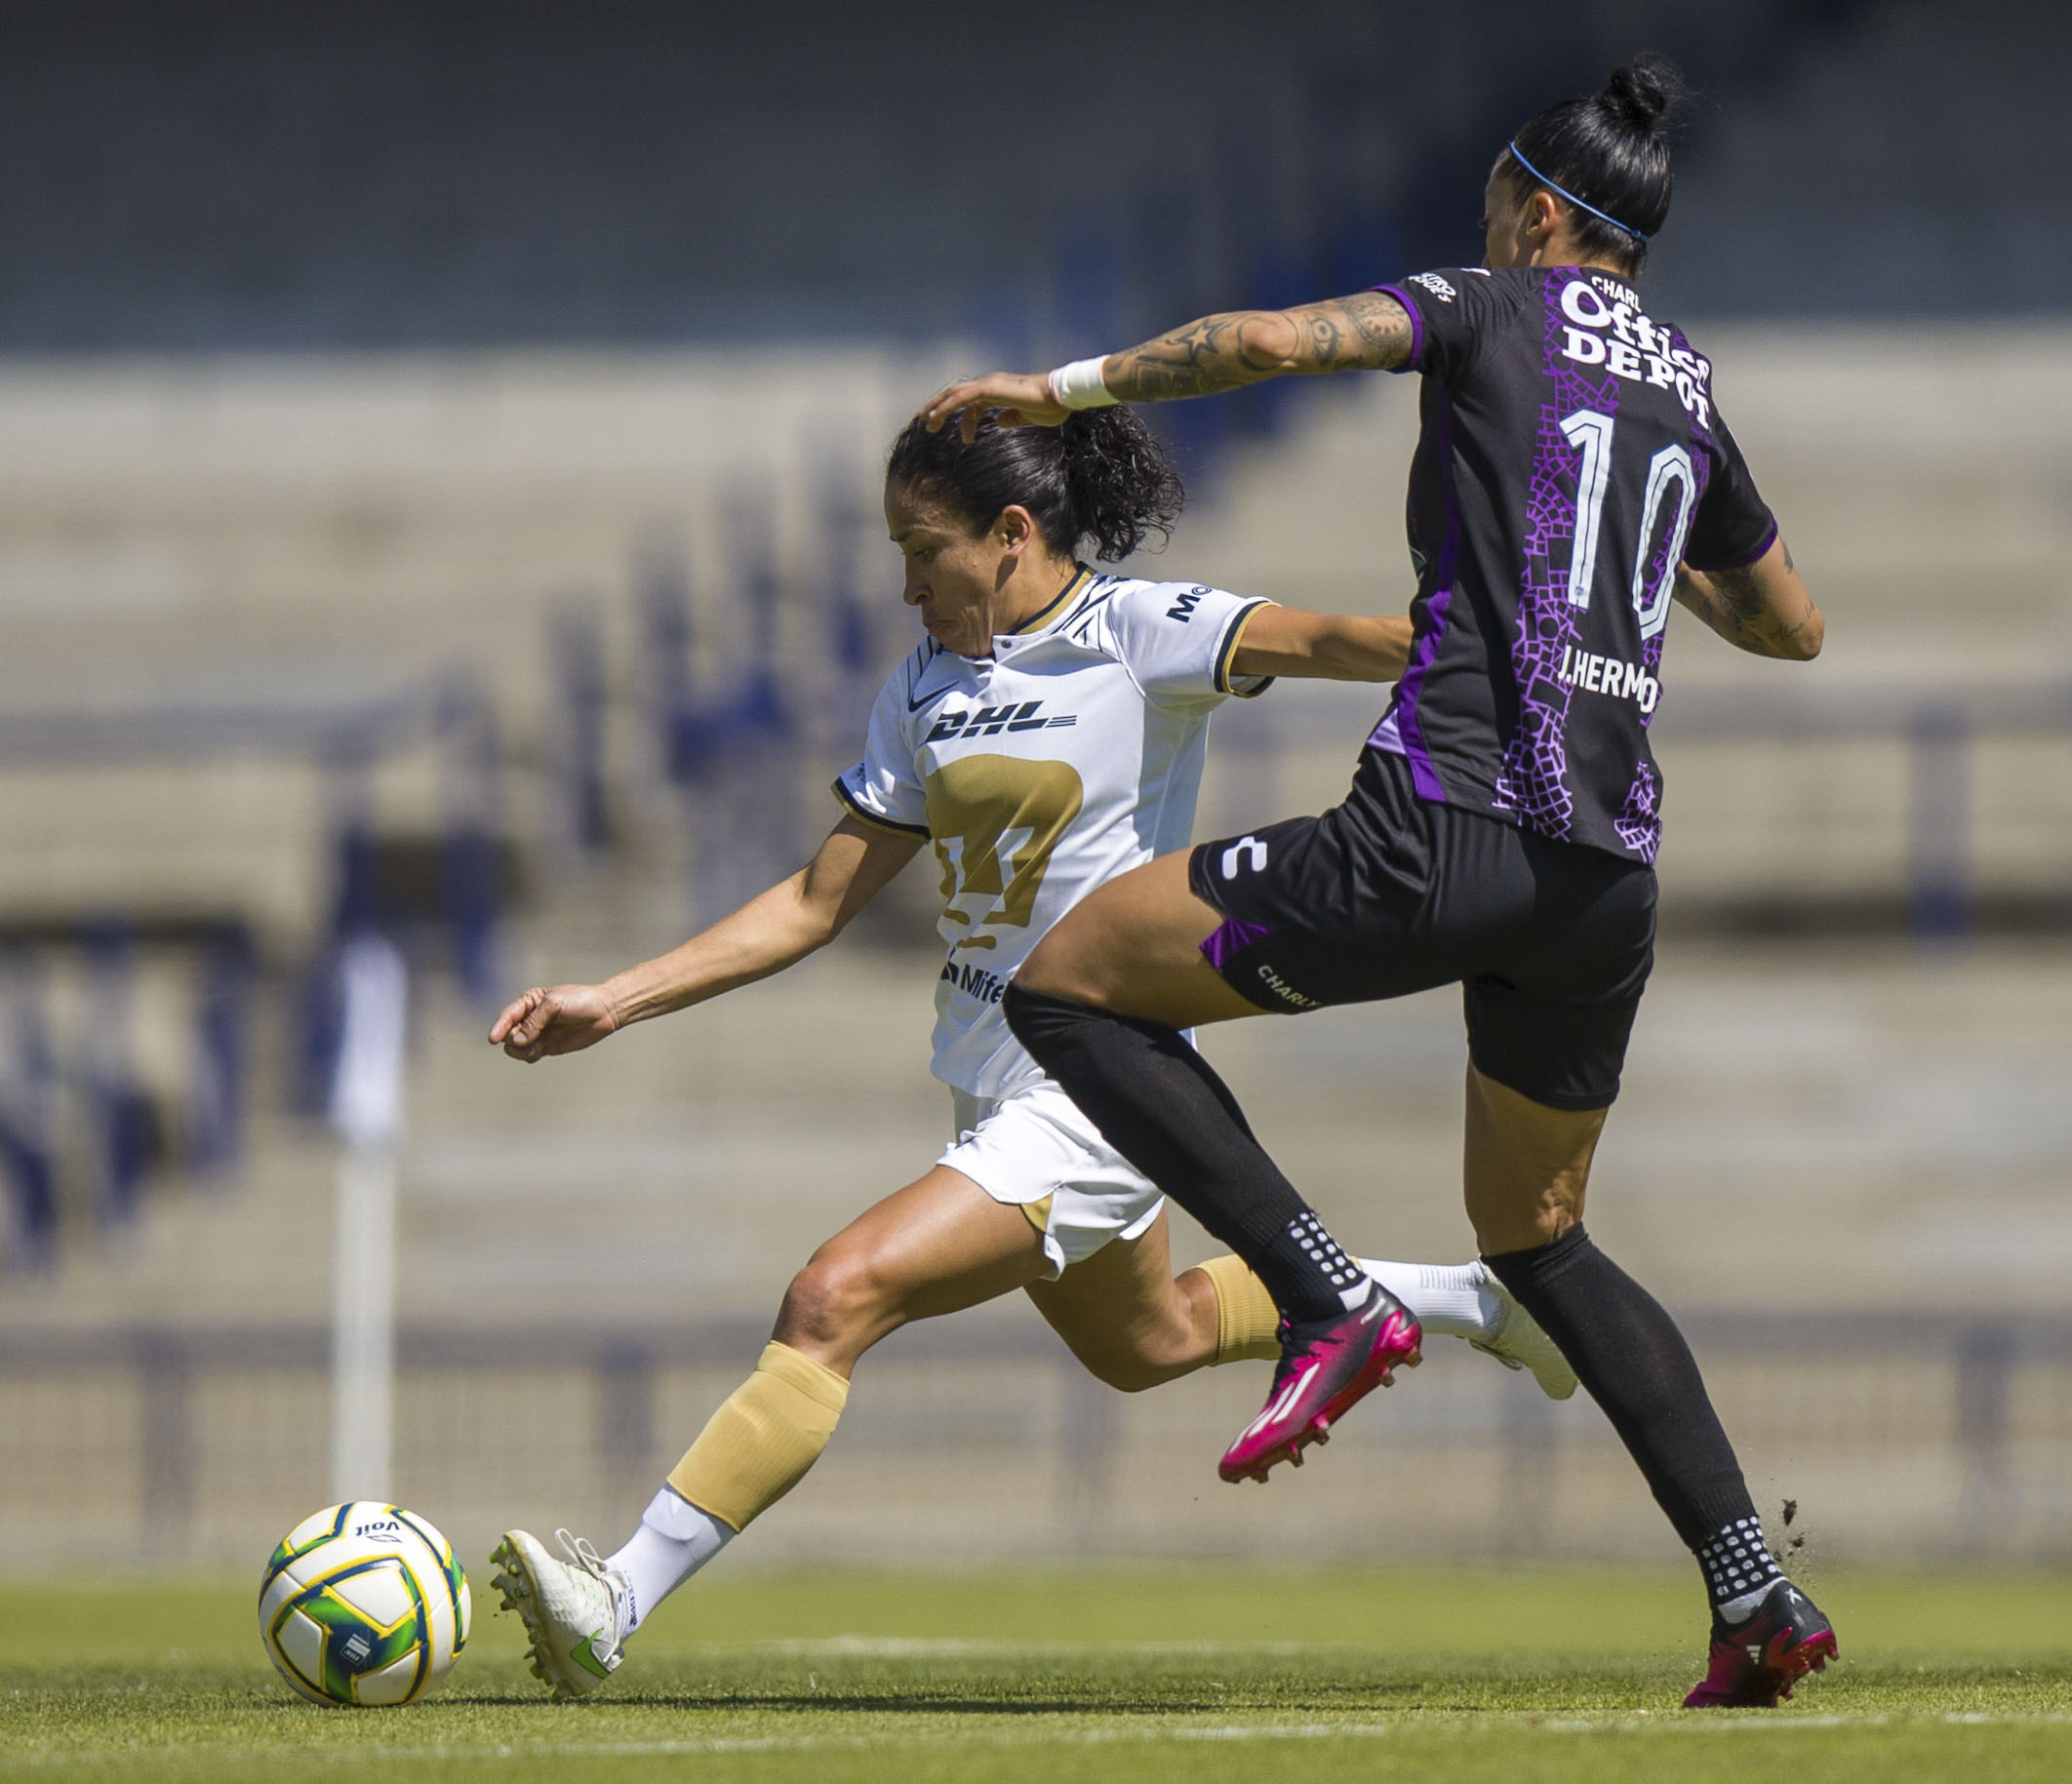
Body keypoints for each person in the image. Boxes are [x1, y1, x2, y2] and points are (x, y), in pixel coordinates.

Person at [918, 55, 1835, 1709]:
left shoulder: (1490, 305)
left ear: (1539, 214)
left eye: (1494, 201)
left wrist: (1056, 391)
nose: (1482, 223)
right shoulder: (1687, 387)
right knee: (1542, 1238)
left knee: (1066, 980)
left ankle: (1327, 1296)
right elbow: (1793, 623)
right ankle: (1752, 1587)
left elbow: (1272, 345)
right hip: (1604, 880)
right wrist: (1630, 563)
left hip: (1446, 823)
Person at [479, 404, 1575, 1700]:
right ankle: (1481, 1303)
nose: (905, 582)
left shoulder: (1139, 633)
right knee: (1149, 1342)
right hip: (988, 1081)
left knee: (833, 1297)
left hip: (1100, 1081)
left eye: (921, 548)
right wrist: (617, 997)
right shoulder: (921, 688)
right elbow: (814, 901)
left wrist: (1533, 651)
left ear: (1010, 533)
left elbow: (1343, 640)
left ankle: (615, 1597)